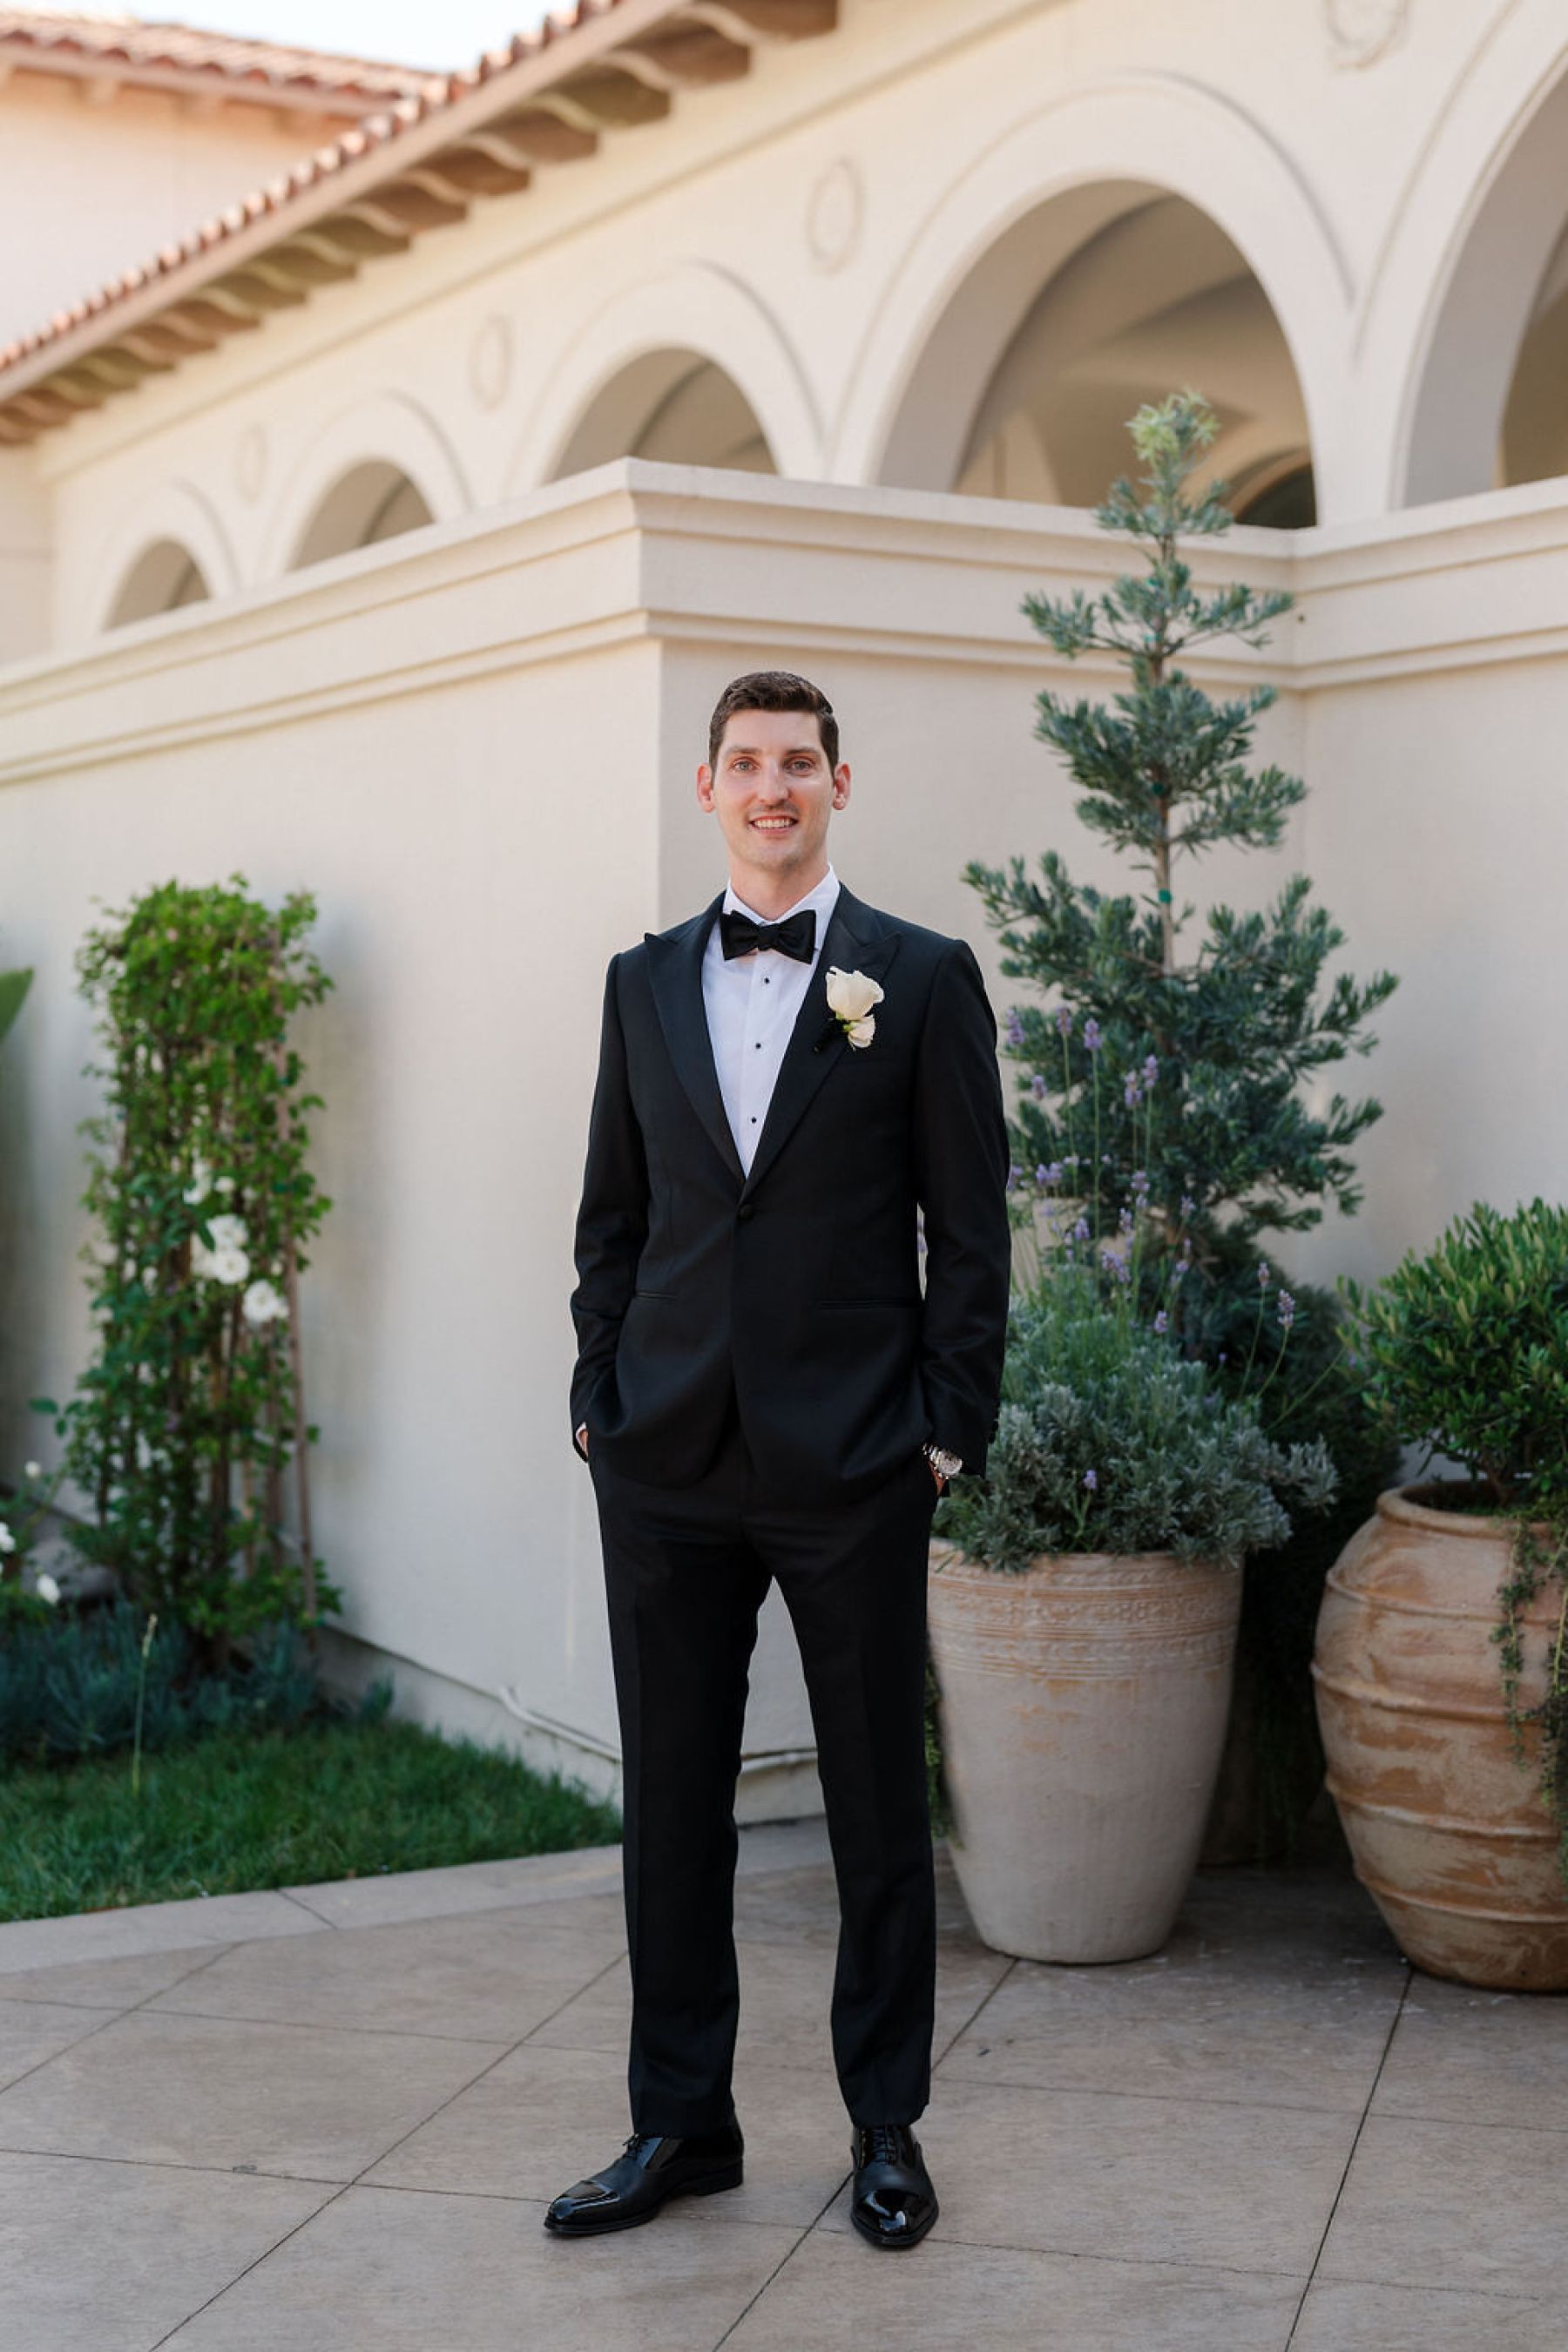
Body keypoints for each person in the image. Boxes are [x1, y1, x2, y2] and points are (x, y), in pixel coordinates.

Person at [549, 670, 1010, 2251]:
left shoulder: (925, 981)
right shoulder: (639, 982)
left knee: (878, 1804)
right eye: (745, 763)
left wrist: (945, 1429)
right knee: (671, 1808)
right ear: (708, 789)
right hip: (665, 1459)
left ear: (839, 784)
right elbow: (614, 1216)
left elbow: (974, 1230)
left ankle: (886, 2130)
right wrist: (596, 1396)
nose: (772, 787)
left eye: (797, 763)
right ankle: (681, 2124)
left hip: (855, 1460)